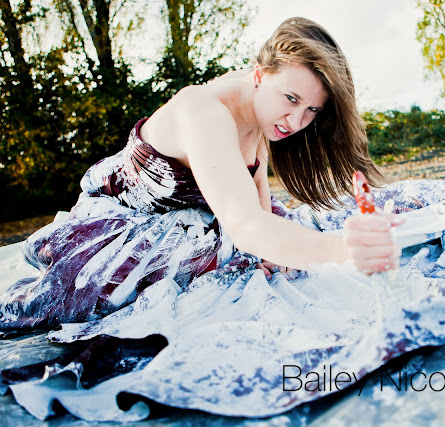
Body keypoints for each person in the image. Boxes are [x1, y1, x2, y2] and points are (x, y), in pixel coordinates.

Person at [0, 17, 403, 330]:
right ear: (259, 75)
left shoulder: (263, 114)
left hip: (205, 217)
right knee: (214, 260)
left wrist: (273, 251)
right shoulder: (206, 111)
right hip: (126, 220)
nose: (297, 121)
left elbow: (257, 187)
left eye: (312, 110)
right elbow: (246, 226)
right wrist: (343, 250)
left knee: (290, 238)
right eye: (291, 99)